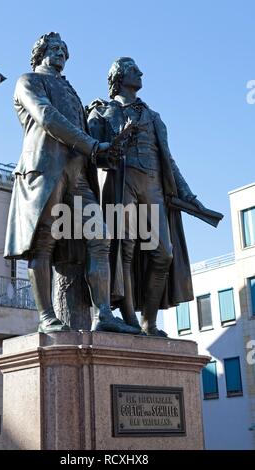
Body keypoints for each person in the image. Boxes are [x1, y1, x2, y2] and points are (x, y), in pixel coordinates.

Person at [4, 36, 140, 335]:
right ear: (39, 54)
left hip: (78, 175)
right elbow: (47, 117)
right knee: (43, 244)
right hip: (44, 169)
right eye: (54, 49)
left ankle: (103, 313)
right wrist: (93, 144)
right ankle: (46, 316)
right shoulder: (28, 81)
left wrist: (105, 148)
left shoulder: (71, 91)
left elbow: (81, 131)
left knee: (100, 239)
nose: (61, 54)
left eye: (64, 51)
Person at [87, 57, 206, 336]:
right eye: (132, 70)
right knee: (123, 251)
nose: (140, 73)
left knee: (164, 253)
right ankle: (129, 318)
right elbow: (93, 154)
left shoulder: (153, 117)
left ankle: (148, 321)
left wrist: (188, 194)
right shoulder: (102, 112)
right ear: (117, 77)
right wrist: (115, 142)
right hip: (122, 181)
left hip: (153, 185)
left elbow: (169, 160)